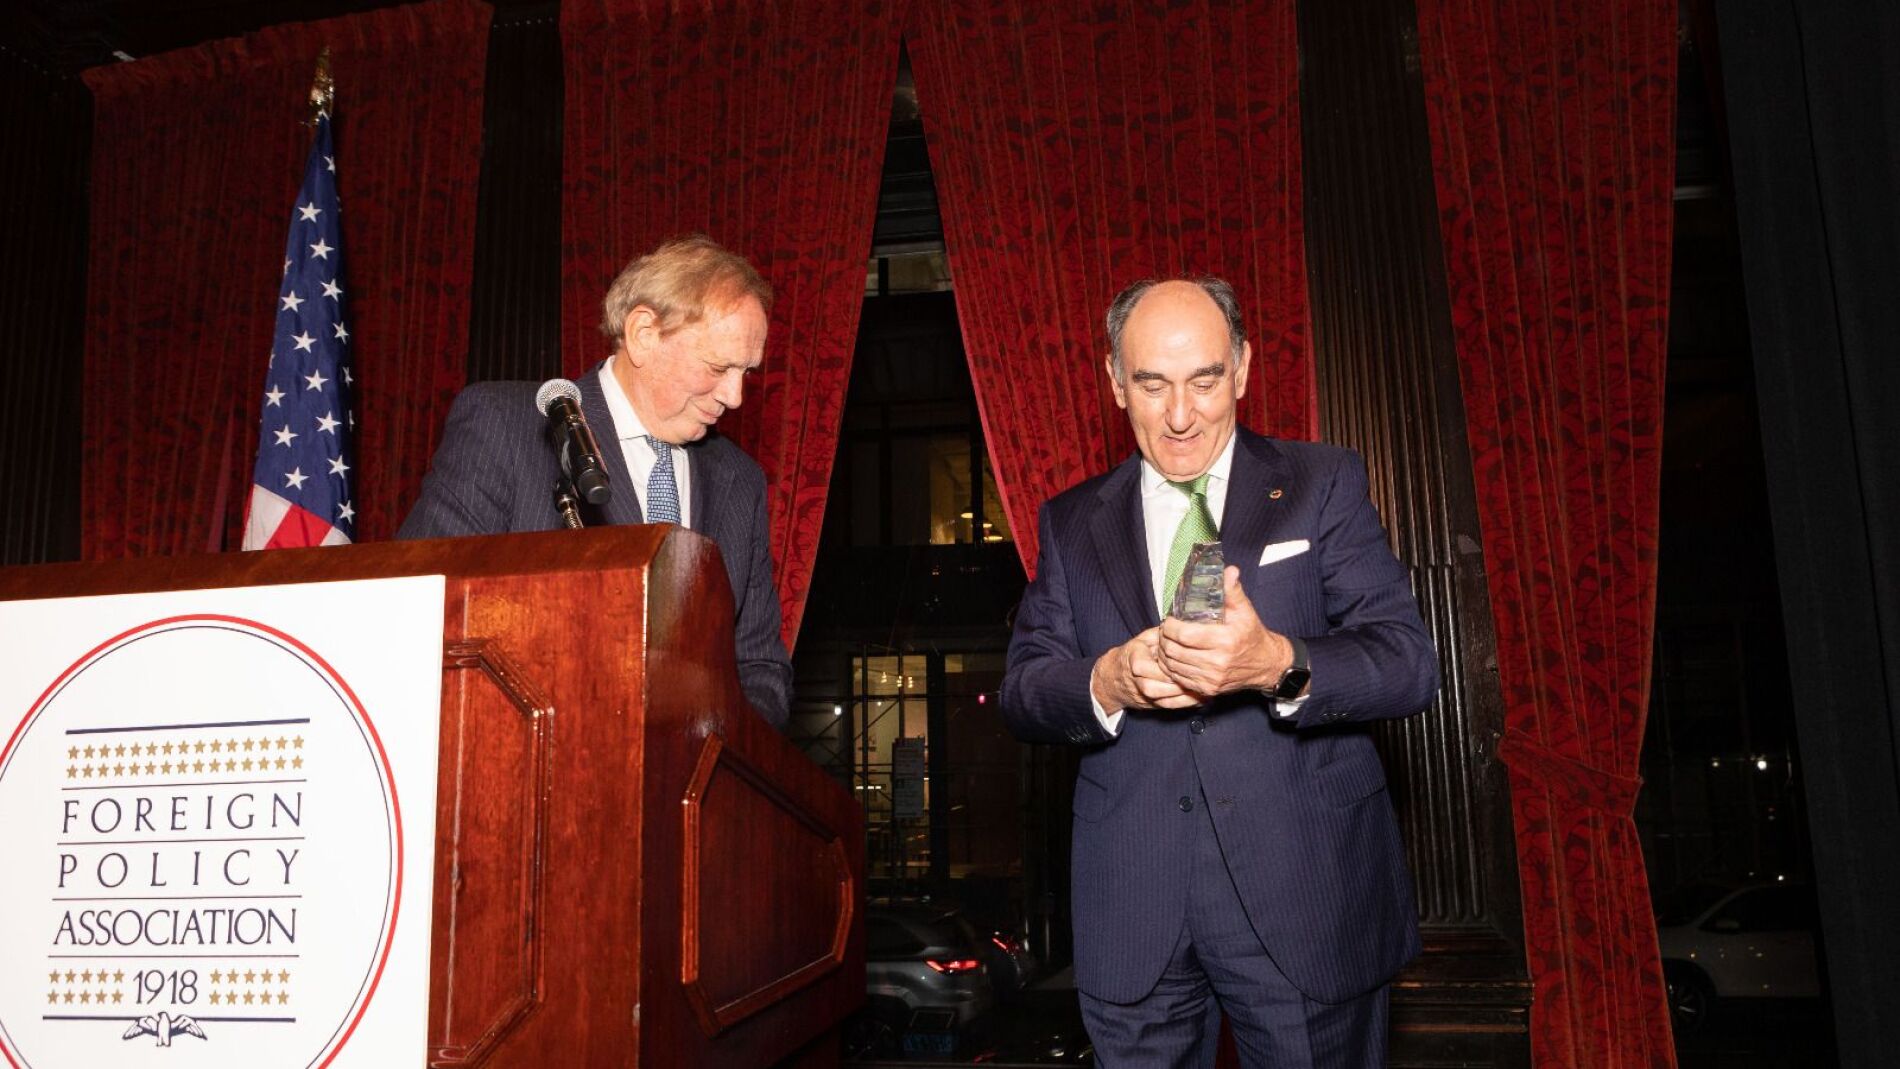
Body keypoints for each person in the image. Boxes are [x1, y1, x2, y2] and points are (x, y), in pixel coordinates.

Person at [1000, 277, 1438, 1067]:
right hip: (1134, 908)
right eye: (1151, 384)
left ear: (1241, 368)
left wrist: (1277, 663)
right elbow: (1025, 690)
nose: (1180, 415)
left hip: (1306, 897)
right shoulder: (1070, 520)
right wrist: (1108, 679)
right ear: (1114, 381)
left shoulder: (1323, 482)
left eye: (1203, 381)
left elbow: (1407, 663)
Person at [398, 235, 792, 725]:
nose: (734, 396)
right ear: (644, 333)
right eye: (718, 367)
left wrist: (712, 751)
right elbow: (418, 610)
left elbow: (760, 671)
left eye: (745, 373)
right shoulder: (507, 427)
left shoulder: (741, 481)